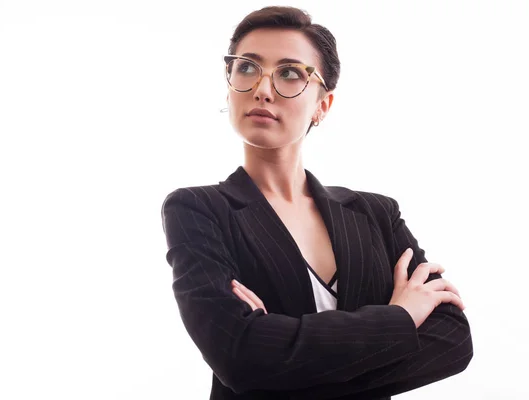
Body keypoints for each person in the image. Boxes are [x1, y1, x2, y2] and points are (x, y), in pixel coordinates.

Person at [161, 6, 473, 400]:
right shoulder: (198, 210)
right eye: (246, 68)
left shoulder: (376, 214)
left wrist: (281, 363)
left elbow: (453, 341)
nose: (262, 88)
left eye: (290, 73)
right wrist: (401, 318)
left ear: (323, 105)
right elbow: (239, 357)